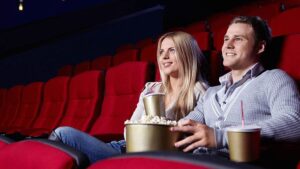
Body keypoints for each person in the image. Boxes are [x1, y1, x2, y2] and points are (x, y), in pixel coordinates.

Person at [48, 31, 209, 164]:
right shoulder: (151, 88)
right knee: (63, 145)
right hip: (122, 147)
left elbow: (197, 140)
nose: (164, 56)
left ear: (187, 54)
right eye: (161, 51)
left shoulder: (201, 92)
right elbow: (128, 131)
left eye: (172, 50)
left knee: (63, 134)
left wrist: (152, 130)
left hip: (145, 158)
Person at [171, 16, 300, 155]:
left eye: (238, 39)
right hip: (198, 160)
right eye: (226, 39)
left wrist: (223, 137)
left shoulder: (274, 78)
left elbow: (294, 123)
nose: (228, 45)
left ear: (260, 47)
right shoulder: (211, 92)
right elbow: (186, 125)